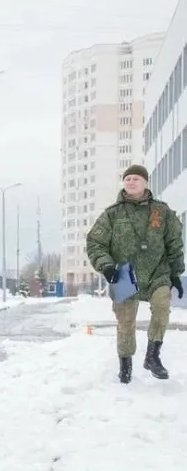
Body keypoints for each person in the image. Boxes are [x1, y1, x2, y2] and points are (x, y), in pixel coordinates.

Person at [86, 164, 184, 383]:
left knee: (162, 307)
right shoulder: (112, 214)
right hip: (124, 273)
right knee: (126, 321)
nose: (131, 182)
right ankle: (125, 366)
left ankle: (152, 356)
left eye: (136, 179)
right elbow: (95, 242)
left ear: (145, 183)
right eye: (127, 179)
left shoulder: (161, 211)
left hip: (157, 271)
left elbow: (174, 243)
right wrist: (106, 265)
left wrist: (176, 273)